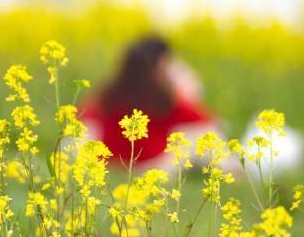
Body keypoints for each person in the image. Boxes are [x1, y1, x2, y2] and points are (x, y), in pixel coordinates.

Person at [79, 36, 218, 170]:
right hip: (155, 165)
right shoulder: (166, 101)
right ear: (161, 67)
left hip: (110, 162)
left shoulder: (109, 96)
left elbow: (84, 116)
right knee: (199, 136)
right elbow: (207, 122)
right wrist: (191, 94)